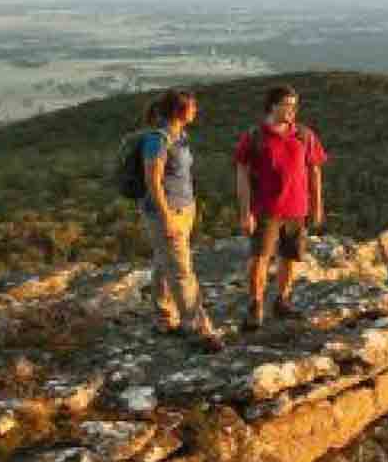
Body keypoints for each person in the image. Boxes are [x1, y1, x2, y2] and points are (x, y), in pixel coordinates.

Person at [234, 84, 328, 331]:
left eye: (294, 105)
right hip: (265, 209)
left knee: (290, 257)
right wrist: (245, 212)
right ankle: (255, 306)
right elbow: (241, 173)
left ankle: (282, 301)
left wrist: (317, 205)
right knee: (259, 258)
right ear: (272, 106)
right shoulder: (255, 136)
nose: (291, 110)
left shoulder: (304, 135)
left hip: (297, 208)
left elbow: (314, 170)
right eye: (286, 104)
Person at [136, 88, 224, 351]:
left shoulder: (181, 136)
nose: (196, 111)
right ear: (180, 110)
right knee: (182, 271)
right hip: (166, 212)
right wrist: (167, 217)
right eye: (193, 107)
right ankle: (198, 328)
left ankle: (163, 318)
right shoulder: (158, 140)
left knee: (165, 264)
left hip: (184, 208)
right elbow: (152, 180)